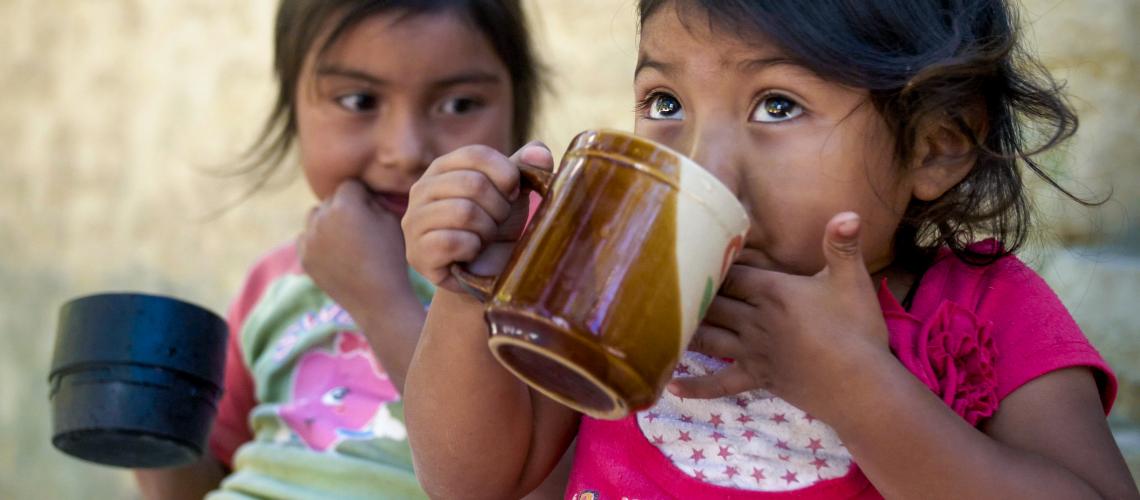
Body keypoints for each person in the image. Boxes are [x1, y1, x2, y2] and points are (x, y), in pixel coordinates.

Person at [399, 0, 1140, 498]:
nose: (702, 161)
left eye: (777, 104)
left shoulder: (984, 309)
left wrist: (856, 387)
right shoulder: (627, 281)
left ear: (936, 144)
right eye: (665, 103)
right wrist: (476, 290)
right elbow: (476, 481)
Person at [131, 0, 560, 498]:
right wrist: (148, 434)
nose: (405, 151)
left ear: (519, 108)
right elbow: (213, 476)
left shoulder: (543, 273)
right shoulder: (276, 279)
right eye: (359, 101)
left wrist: (382, 304)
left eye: (460, 104)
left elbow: (540, 486)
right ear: (293, 110)